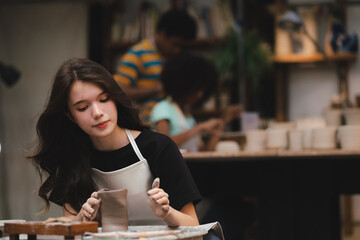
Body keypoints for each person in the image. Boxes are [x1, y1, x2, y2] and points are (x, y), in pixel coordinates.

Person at [29, 58, 201, 227]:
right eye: (82, 108)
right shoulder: (72, 158)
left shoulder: (159, 147)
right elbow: (69, 228)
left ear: (115, 99)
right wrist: (81, 219)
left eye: (104, 99)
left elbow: (193, 224)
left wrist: (167, 212)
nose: (97, 113)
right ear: (70, 116)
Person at [113, 9, 197, 124]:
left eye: (182, 47)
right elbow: (117, 91)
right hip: (146, 125)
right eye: (175, 44)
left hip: (172, 121)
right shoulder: (137, 54)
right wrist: (156, 88)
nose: (178, 50)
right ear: (162, 33)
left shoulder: (173, 57)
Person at [150, 52, 242, 152]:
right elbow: (162, 144)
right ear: (184, 85)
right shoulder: (163, 108)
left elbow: (204, 151)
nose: (200, 95)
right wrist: (199, 127)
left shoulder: (188, 117)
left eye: (203, 90)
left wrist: (220, 125)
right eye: (197, 89)